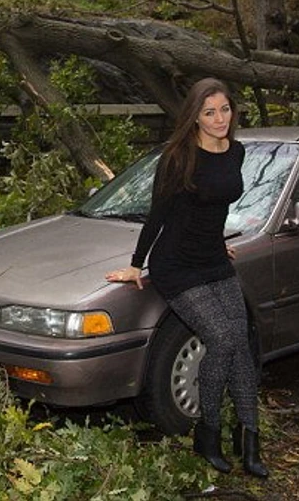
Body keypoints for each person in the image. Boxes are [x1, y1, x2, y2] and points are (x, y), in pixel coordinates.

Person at [105, 77, 269, 478]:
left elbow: (212, 207)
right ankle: (207, 432)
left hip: (213, 258)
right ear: (194, 116)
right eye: (209, 112)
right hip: (176, 264)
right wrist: (136, 263)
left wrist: (219, 240)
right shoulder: (178, 157)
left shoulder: (237, 151)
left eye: (225, 110)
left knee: (241, 345)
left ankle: (249, 437)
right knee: (223, 338)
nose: (219, 119)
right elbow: (159, 213)